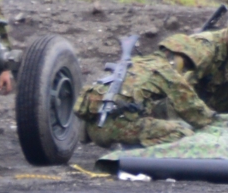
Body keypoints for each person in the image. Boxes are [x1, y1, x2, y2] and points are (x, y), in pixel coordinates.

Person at [74, 50, 217, 149]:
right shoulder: (163, 70)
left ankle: (127, 144)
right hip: (118, 129)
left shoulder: (136, 63)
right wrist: (213, 123)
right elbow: (190, 108)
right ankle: (138, 154)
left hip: (93, 130)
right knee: (183, 133)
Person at [159, 10, 228, 114]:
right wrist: (200, 116)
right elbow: (181, 86)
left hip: (210, 97)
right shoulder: (206, 48)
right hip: (183, 97)